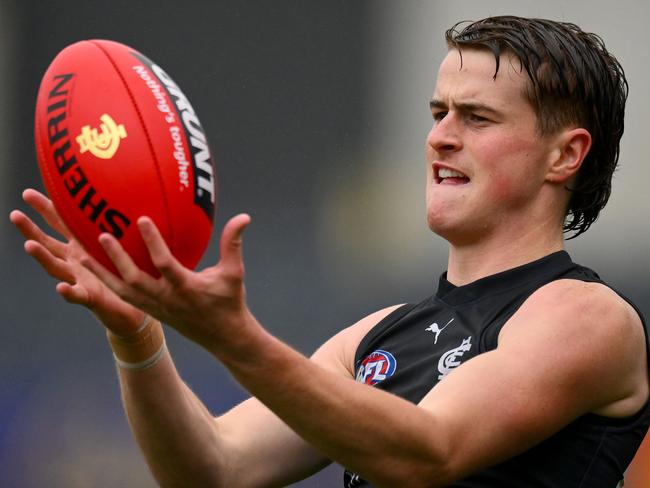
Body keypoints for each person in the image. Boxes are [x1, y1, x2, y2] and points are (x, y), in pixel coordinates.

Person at [11, 15, 649, 487]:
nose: (440, 139)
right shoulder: (374, 338)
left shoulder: (586, 318)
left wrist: (234, 337)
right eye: (437, 113)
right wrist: (138, 334)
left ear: (565, 155)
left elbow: (430, 450)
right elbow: (214, 468)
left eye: (476, 118)